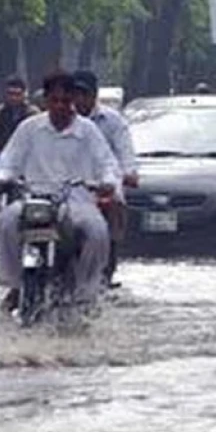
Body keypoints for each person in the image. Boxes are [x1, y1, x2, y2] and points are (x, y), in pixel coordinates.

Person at [0, 72, 119, 313]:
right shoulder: (29, 129)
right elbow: (9, 161)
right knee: (7, 220)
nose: (60, 106)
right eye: (54, 100)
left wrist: (107, 182)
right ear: (46, 100)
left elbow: (107, 164)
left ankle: (86, 291)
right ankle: (15, 283)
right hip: (35, 198)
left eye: (65, 100)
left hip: (77, 201)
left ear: (72, 100)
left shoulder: (88, 131)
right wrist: (2, 178)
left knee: (97, 231)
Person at [73, 70, 138, 288]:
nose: (79, 100)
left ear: (94, 95)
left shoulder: (112, 121)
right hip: (65, 186)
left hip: (101, 186)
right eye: (76, 94)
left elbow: (125, 152)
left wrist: (129, 172)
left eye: (85, 94)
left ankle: (105, 271)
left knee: (112, 207)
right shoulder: (58, 119)